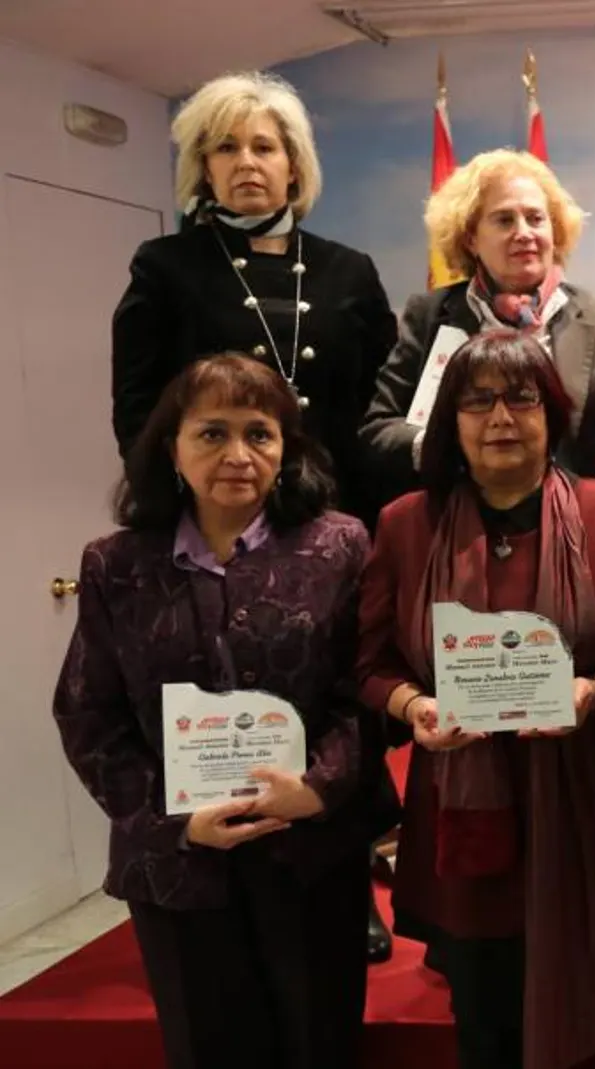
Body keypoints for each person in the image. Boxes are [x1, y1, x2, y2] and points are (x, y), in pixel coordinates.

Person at [356, 331, 595, 1069]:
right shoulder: (405, 524)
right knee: (483, 1017)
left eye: (522, 397)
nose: (501, 416)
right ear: (450, 419)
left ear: (554, 411)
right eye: (477, 401)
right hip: (464, 810)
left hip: (594, 801)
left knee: (591, 1012)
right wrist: (414, 706)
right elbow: (370, 663)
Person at [53, 355, 396, 1069]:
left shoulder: (340, 545)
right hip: (179, 868)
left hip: (309, 854)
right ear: (172, 447)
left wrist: (320, 786)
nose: (238, 455)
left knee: (320, 1043)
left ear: (287, 448)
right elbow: (89, 713)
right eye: (212, 433)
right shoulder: (116, 564)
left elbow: (362, 691)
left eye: (260, 434)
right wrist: (173, 820)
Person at [111, 73, 397, 524]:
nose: (246, 162)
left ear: (294, 165)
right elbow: (136, 409)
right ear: (207, 169)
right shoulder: (164, 265)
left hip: (337, 510)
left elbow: (381, 404)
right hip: (211, 513)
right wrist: (171, 507)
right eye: (226, 148)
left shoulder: (350, 270)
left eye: (263, 148)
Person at [361, 149, 595, 511]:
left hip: (574, 526)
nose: (524, 233)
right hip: (455, 525)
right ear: (470, 237)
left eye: (536, 218)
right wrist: (444, 445)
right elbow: (378, 430)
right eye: (504, 220)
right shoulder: (429, 315)